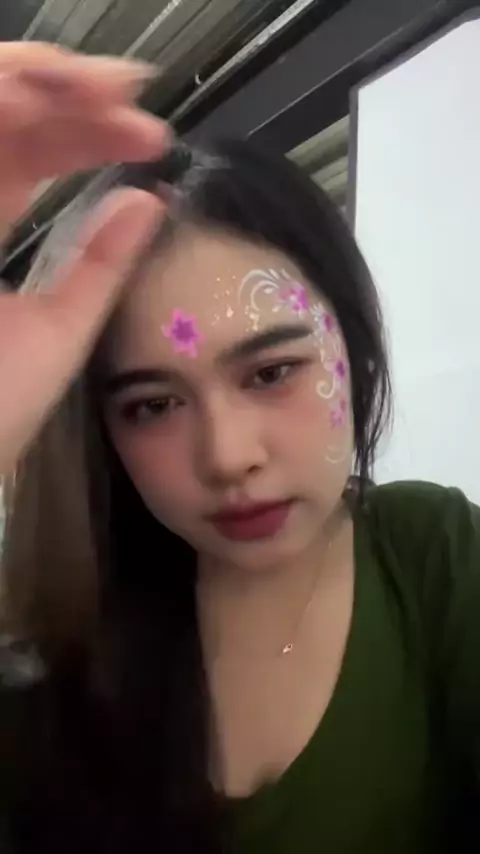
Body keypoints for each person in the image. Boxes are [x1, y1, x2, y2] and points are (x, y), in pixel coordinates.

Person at [0, 40, 479, 854]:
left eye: (271, 372)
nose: (227, 457)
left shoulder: (432, 556)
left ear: (352, 348)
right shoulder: (53, 651)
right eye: (153, 405)